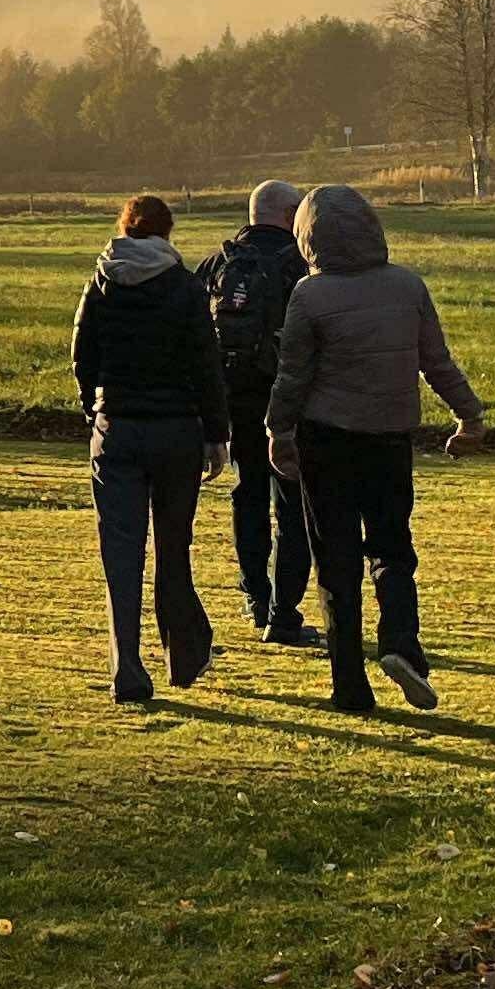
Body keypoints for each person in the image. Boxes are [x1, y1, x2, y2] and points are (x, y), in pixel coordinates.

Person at [265, 182, 487, 716]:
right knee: (391, 548)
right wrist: (470, 415)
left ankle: (350, 688)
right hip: (390, 438)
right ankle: (401, 644)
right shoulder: (407, 287)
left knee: (336, 561)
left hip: (327, 440)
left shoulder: (309, 295)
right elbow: (437, 362)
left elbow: (292, 376)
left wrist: (279, 431)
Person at [68, 190, 226, 705]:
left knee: (121, 553)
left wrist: (95, 409)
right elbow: (207, 365)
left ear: (125, 228)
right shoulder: (183, 286)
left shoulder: (102, 281)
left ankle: (127, 669)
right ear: (167, 232)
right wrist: (216, 434)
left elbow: (82, 353)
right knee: (173, 547)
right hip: (177, 430)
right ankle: (182, 653)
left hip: (118, 428)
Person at [202, 178, 313, 644]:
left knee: (247, 492)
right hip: (289, 403)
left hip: (236, 400)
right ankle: (283, 611)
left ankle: (253, 596)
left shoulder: (219, 264)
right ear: (289, 215)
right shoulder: (302, 267)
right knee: (292, 502)